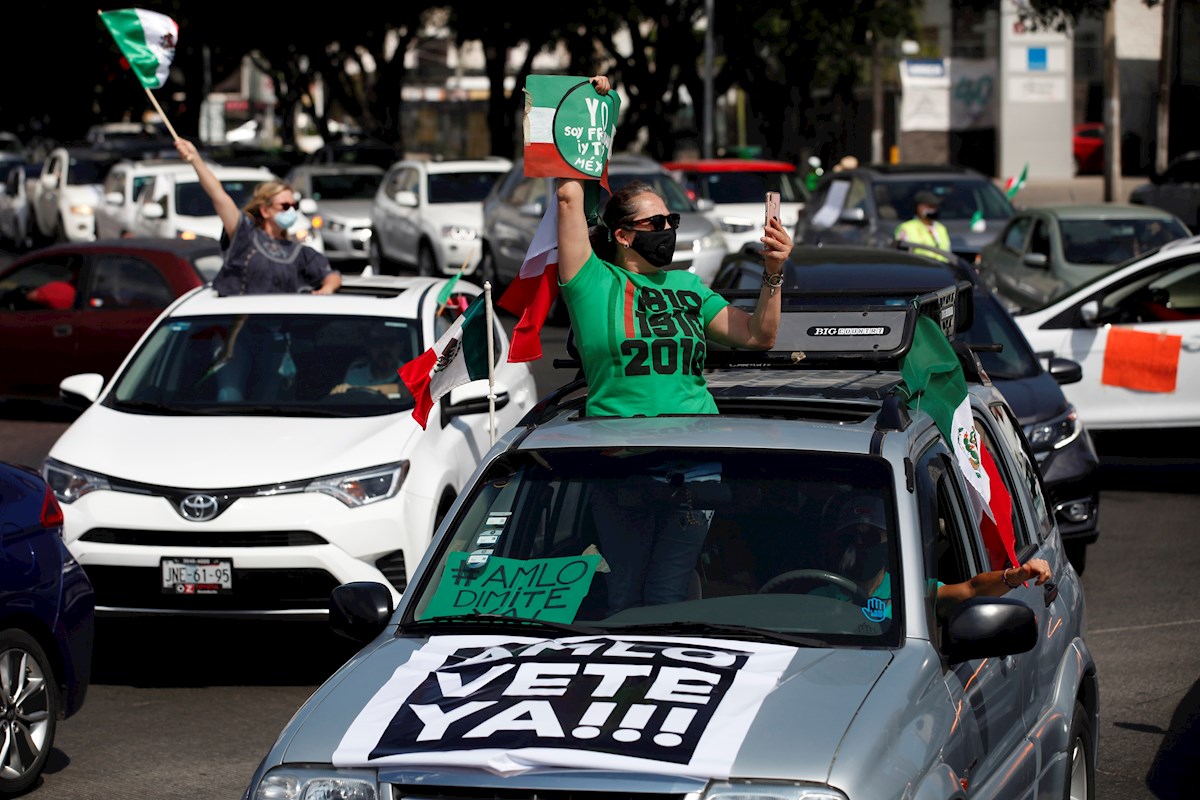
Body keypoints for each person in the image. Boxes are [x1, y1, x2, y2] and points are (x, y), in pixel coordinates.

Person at [556, 76, 791, 419]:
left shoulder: (689, 286)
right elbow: (567, 197)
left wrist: (773, 272)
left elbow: (758, 336)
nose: (666, 230)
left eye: (670, 221)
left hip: (696, 448)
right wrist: (585, 110)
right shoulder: (591, 281)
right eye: (655, 223)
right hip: (619, 452)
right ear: (622, 236)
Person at [813, 494, 1053, 621]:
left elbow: (972, 589)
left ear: (890, 544)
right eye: (853, 535)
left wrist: (1014, 576)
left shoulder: (914, 595)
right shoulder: (816, 598)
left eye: (873, 536)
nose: (861, 544)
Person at [173, 137, 341, 297]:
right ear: (265, 210)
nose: (291, 211)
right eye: (284, 206)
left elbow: (331, 275)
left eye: (294, 206)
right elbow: (219, 196)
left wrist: (327, 288)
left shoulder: (301, 252)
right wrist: (195, 159)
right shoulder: (244, 236)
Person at [329, 325, 409, 397]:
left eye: (391, 343)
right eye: (377, 343)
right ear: (369, 347)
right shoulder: (355, 375)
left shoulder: (411, 374)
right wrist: (341, 390)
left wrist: (355, 390)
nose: (384, 349)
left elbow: (406, 391)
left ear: (401, 346)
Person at [894, 190, 951, 261]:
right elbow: (901, 255)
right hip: (919, 269)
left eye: (934, 207)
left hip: (941, 269)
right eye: (929, 206)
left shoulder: (941, 228)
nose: (932, 210)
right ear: (919, 207)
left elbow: (947, 252)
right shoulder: (907, 228)